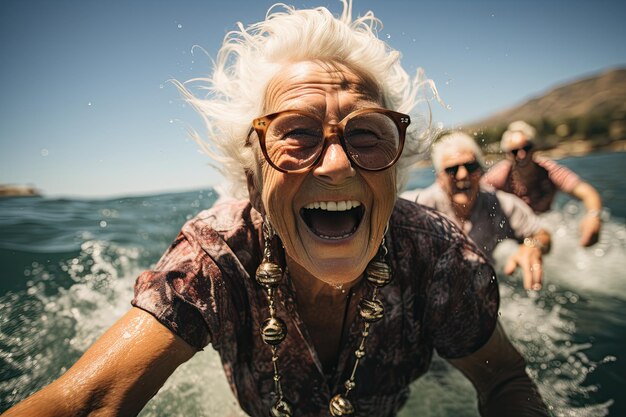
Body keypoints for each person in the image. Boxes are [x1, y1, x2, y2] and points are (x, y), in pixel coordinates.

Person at [4, 2, 549, 416]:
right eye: (296, 134)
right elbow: (89, 401)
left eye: (366, 134)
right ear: (251, 175)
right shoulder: (214, 256)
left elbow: (503, 380)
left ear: (396, 170)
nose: (337, 164)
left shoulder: (433, 250)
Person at [407, 132, 552, 291]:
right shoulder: (420, 206)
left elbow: (542, 234)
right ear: (440, 178)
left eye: (470, 167)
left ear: (481, 172)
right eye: (452, 170)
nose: (463, 175)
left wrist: (532, 246)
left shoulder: (499, 204)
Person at [482, 120, 603, 247]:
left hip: (544, 229)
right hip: (513, 229)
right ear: (508, 155)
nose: (521, 155)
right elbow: (475, 196)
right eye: (514, 151)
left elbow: (586, 192)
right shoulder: (500, 175)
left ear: (535, 148)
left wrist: (593, 216)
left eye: (526, 148)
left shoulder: (549, 171)